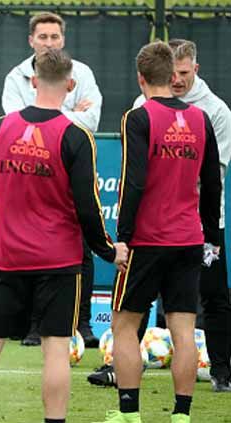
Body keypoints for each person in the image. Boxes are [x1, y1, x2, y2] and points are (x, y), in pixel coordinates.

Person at [0, 48, 128, 423]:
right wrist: (107, 251)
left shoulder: (0, 127)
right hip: (59, 262)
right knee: (55, 352)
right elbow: (89, 207)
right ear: (70, 86)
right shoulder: (76, 135)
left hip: (5, 259)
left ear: (33, 82)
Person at [94, 41, 221, 423]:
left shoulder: (138, 117)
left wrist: (123, 237)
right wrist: (211, 236)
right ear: (172, 75)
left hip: (147, 241)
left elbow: (133, 182)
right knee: (184, 329)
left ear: (141, 78)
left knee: (125, 326)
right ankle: (181, 416)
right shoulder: (201, 119)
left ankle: (130, 413)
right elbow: (212, 182)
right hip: (189, 240)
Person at [130, 39, 231, 393]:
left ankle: (221, 370)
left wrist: (210, 234)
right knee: (139, 305)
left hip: (197, 224)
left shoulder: (214, 112)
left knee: (214, 296)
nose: (177, 80)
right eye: (173, 73)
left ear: (195, 70)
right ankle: (123, 368)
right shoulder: (143, 106)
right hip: (161, 226)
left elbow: (212, 174)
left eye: (183, 73)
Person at [2, 11, 103, 347]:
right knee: (31, 248)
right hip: (28, 173)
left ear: (63, 39)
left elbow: (92, 120)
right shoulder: (15, 76)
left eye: (54, 37)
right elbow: (12, 121)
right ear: (31, 40)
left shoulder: (83, 72)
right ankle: (34, 325)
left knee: (80, 246)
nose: (48, 43)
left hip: (69, 169)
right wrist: (70, 114)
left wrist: (48, 115)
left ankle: (83, 324)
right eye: (42, 37)